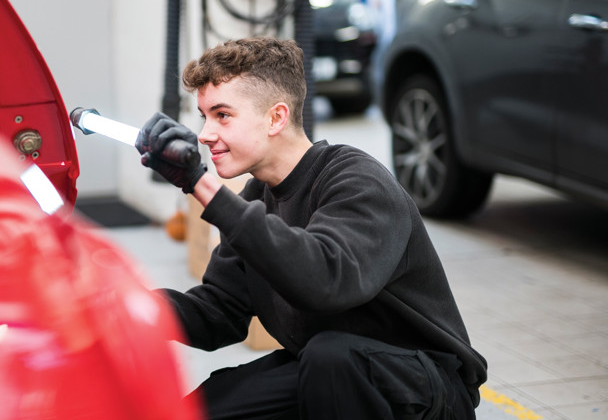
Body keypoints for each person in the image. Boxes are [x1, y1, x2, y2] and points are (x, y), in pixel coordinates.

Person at [134, 36, 486, 419]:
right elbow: (221, 310)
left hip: (423, 388)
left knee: (329, 357)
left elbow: (325, 280)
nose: (204, 134)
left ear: (276, 118)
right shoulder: (257, 198)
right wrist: (129, 308)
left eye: (222, 115)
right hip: (330, 372)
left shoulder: (357, 180)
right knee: (197, 411)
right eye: (204, 116)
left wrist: (202, 186)